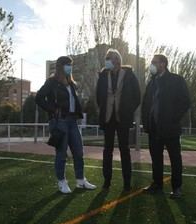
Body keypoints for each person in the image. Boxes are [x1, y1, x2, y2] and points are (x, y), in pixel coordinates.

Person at [36, 56, 96, 194]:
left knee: (78, 152)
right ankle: (62, 182)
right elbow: (39, 98)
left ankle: (81, 181)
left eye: (71, 64)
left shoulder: (71, 82)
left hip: (72, 121)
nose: (70, 67)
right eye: (68, 64)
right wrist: (52, 109)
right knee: (61, 153)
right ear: (60, 66)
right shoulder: (51, 82)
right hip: (59, 121)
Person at [141, 54, 190, 198]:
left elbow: (185, 102)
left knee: (175, 159)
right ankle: (157, 184)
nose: (152, 65)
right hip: (154, 128)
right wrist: (146, 123)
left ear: (163, 64)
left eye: (154, 62)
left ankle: (177, 188)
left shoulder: (176, 80)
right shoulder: (151, 83)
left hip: (170, 128)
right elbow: (146, 105)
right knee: (156, 158)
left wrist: (173, 118)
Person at [96, 49, 141, 191]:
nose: (108, 60)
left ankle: (127, 182)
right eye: (107, 58)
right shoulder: (103, 75)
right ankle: (107, 181)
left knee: (124, 150)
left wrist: (127, 110)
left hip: (122, 118)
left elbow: (137, 96)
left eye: (110, 58)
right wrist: (103, 109)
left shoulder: (129, 74)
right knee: (107, 150)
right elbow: (98, 95)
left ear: (117, 60)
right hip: (108, 118)